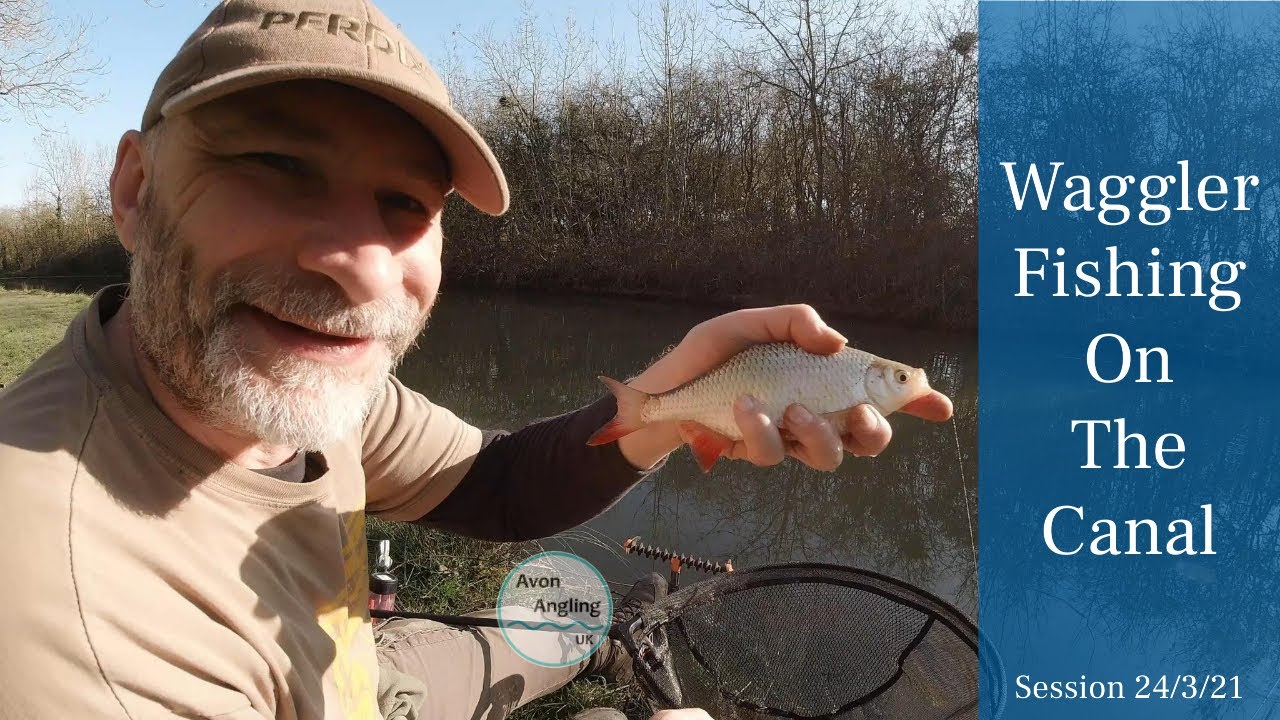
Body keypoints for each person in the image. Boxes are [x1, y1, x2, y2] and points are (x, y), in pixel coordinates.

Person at [0, 1, 953, 718]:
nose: (361, 263)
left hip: (347, 668)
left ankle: (588, 648)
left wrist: (671, 399)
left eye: (405, 205)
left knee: (575, 623)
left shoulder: (298, 387)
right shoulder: (74, 639)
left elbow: (492, 485)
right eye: (276, 168)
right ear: (132, 188)